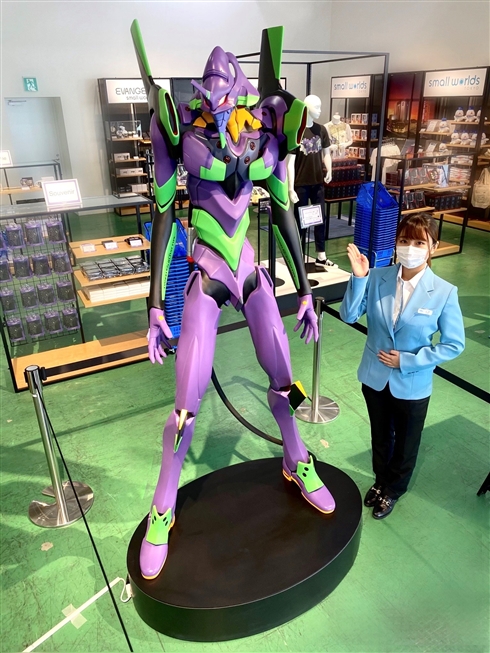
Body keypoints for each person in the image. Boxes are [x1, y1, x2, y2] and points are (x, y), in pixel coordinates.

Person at [131, 22, 336, 580]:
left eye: (227, 95)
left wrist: (306, 289)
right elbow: (164, 215)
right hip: (207, 272)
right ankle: (162, 507)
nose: (218, 105)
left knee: (286, 377)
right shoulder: (181, 133)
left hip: (247, 270)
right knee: (185, 403)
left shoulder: (264, 135)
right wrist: (155, 306)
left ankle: (298, 458)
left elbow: (284, 210)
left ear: (242, 94)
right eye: (210, 95)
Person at [340, 214, 465, 519]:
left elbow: (454, 344)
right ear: (396, 244)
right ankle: (380, 480)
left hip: (412, 382)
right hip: (374, 377)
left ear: (433, 247)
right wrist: (359, 278)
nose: (411, 248)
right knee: (381, 436)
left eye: (419, 242)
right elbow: (349, 316)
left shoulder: (444, 292)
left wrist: (408, 360)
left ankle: (394, 489)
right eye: (404, 240)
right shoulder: (377, 277)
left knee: (407, 443)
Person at [287, 95, 337, 271]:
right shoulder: (296, 131)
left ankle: (321, 256)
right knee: (299, 221)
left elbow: (326, 153)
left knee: (320, 218)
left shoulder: (321, 130)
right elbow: (290, 162)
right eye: (317, 107)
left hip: (317, 182)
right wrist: (290, 187)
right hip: (300, 183)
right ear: (307, 108)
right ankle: (297, 255)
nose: (320, 110)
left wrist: (329, 170)